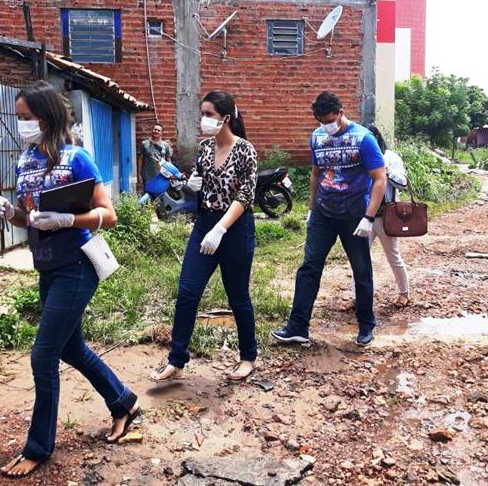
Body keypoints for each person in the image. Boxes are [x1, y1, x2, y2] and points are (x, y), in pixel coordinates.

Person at [0, 81, 138, 478]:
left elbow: (109, 213)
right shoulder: (25, 161)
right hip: (47, 266)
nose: (21, 125)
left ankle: (38, 447)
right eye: (18, 118)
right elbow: (28, 217)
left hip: (77, 265)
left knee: (43, 354)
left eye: (26, 118)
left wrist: (69, 218)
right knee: (70, 348)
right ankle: (123, 401)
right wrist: (10, 213)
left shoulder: (77, 159)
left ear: (47, 117)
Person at [149, 91, 259, 382]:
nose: (204, 120)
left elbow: (246, 195)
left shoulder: (246, 150)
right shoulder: (205, 147)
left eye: (209, 114)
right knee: (187, 291)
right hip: (204, 224)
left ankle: (248, 356)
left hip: (234, 228)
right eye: (203, 113)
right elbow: (197, 182)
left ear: (225, 117)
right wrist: (191, 185)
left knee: (238, 296)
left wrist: (220, 229)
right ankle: (177, 360)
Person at [272, 91, 386, 347]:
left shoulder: (363, 139)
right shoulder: (318, 136)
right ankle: (298, 327)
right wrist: (311, 209)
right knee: (309, 267)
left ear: (341, 112)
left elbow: (380, 179)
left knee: (361, 271)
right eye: (321, 121)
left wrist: (369, 217)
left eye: (329, 120)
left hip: (355, 216)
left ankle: (366, 325)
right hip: (323, 214)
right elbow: (315, 174)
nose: (326, 126)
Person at [344, 124, 410, 309]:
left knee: (393, 256)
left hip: (386, 216)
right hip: (363, 216)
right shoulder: (358, 157)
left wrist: (386, 170)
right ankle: (357, 298)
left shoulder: (390, 157)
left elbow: (404, 183)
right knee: (359, 257)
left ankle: (404, 293)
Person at [137, 123, 172, 189]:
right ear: (152, 131)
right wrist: (139, 175)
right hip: (147, 176)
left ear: (161, 133)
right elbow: (140, 159)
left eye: (158, 130)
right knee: (148, 194)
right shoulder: (144, 144)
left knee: (160, 195)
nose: (156, 131)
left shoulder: (165, 145)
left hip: (161, 175)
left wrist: (170, 174)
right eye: (155, 129)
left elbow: (168, 160)